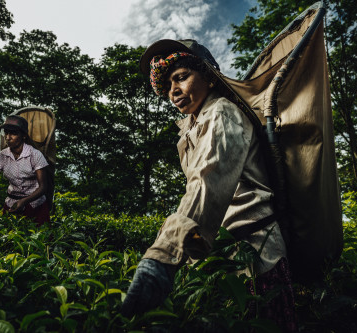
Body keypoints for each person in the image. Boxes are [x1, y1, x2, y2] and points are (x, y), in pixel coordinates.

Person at [121, 39, 297, 332]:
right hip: (225, 256)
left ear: (210, 77)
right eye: (167, 87)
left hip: (255, 253)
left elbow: (208, 180)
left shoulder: (221, 112)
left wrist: (164, 255)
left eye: (181, 77)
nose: (173, 91)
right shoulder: (192, 126)